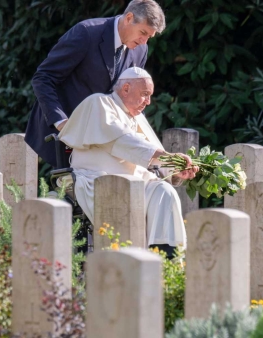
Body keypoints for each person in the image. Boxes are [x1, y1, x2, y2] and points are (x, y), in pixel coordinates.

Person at [58, 67, 198, 257]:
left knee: (166, 191)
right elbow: (124, 141)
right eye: (145, 94)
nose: (148, 102)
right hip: (97, 181)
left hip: (136, 184)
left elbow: (151, 155)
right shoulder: (99, 102)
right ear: (125, 88)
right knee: (125, 196)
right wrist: (168, 157)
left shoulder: (137, 117)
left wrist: (175, 169)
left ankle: (165, 258)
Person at [25, 0, 166, 168]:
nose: (144, 42)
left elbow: (126, 97)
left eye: (149, 37)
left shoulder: (141, 50)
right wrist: (62, 122)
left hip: (103, 144)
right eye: (142, 32)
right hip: (62, 135)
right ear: (129, 18)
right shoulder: (86, 33)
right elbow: (43, 78)